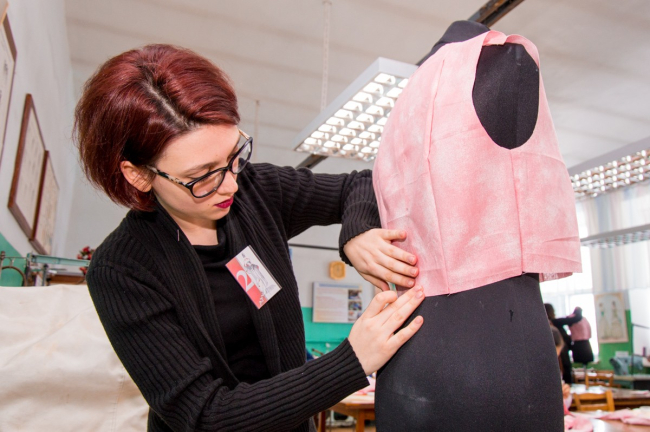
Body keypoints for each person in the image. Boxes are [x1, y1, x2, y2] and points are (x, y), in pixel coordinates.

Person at [74, 44, 426, 432]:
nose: (230, 185)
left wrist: (356, 233)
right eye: (201, 176)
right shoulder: (122, 271)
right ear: (139, 175)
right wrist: (352, 361)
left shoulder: (256, 191)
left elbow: (360, 184)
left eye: (233, 156)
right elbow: (206, 417)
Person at [545, 303, 584, 384]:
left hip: (562, 352)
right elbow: (576, 318)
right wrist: (578, 310)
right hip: (562, 353)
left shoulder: (550, 324)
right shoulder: (555, 322)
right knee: (565, 370)